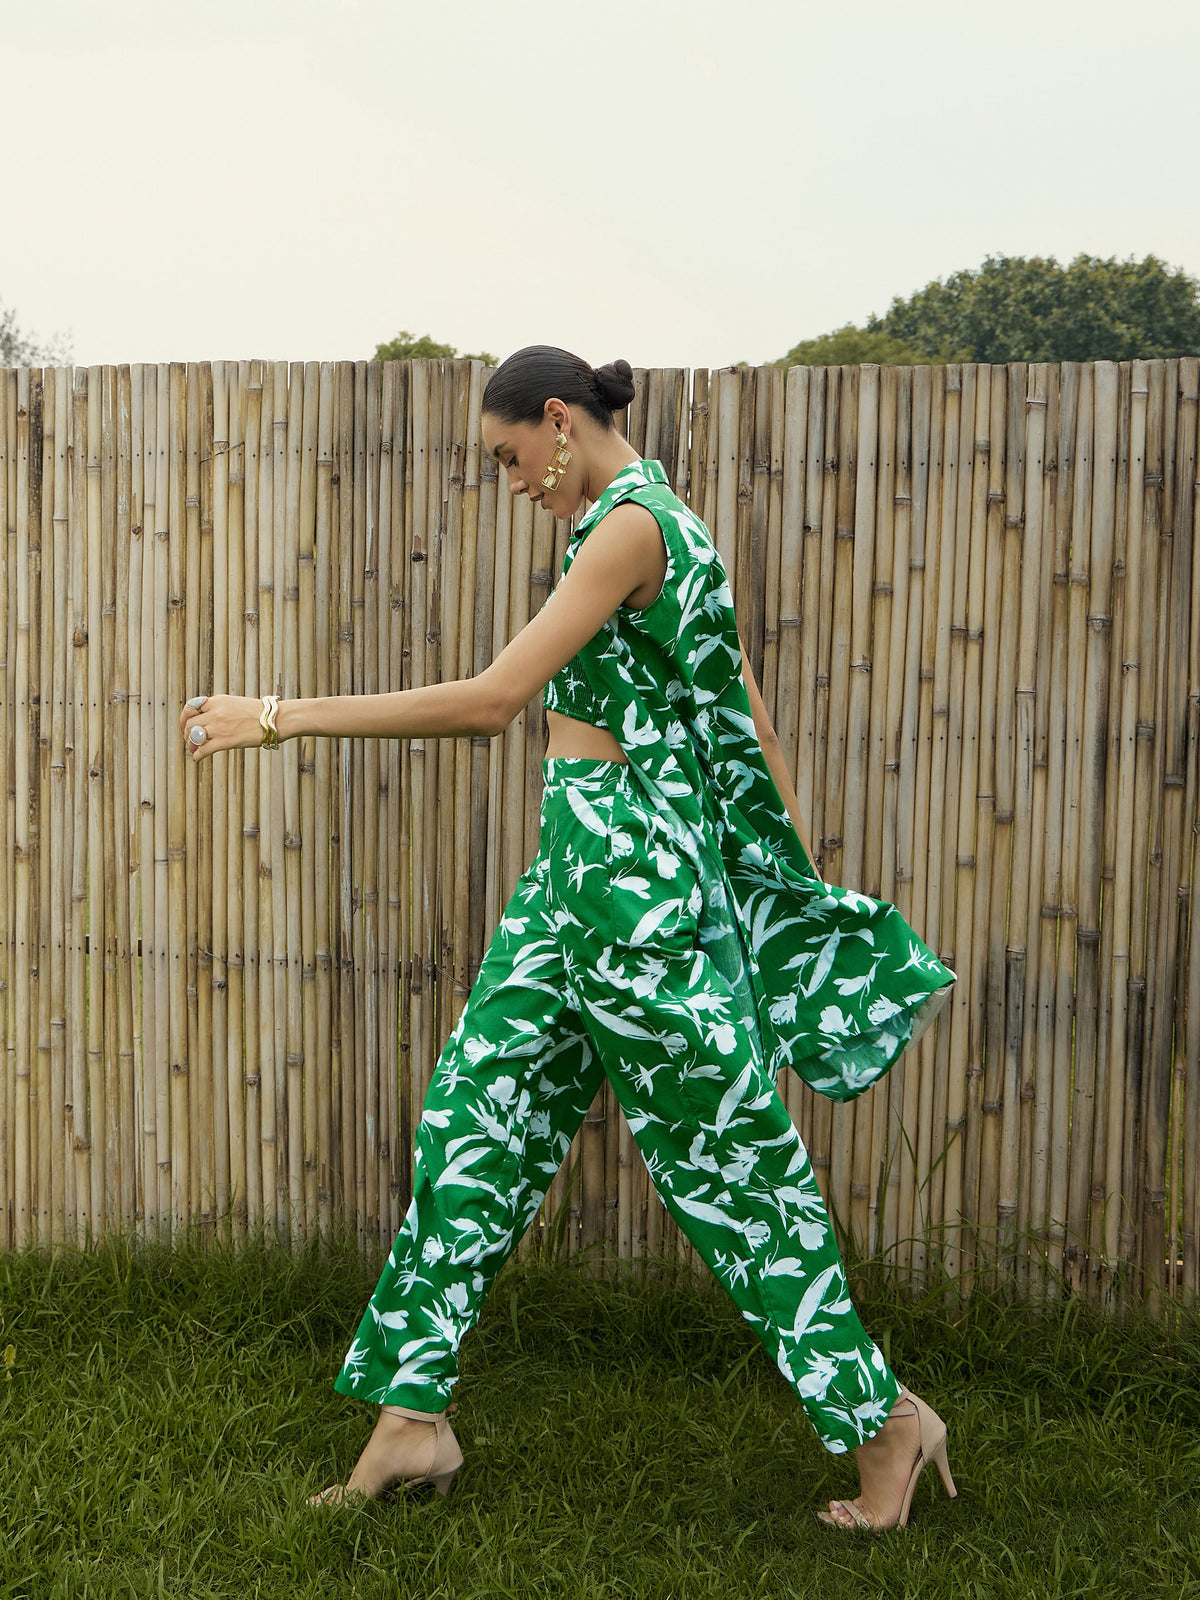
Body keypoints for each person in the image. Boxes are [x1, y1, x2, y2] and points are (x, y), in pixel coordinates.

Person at [179, 345, 957, 1531]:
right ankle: (410, 1417)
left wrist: (276, 715)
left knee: (731, 1167)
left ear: (557, 419)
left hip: (631, 894)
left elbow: (496, 700)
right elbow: (738, 705)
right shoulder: (651, 528)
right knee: (472, 1122)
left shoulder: (635, 528)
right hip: (576, 878)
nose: (512, 483)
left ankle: (885, 1422)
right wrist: (782, 871)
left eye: (509, 458)